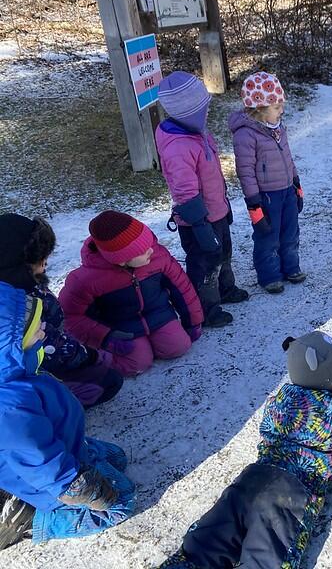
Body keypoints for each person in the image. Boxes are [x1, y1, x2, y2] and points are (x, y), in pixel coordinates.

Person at [160, 331, 332, 569]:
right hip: (290, 494)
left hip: (252, 478)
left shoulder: (279, 401)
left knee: (204, 544)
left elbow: (266, 429)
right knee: (267, 558)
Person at [0, 283, 135, 548]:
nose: (44, 329)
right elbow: (38, 459)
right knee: (122, 501)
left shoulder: (18, 367)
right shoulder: (8, 407)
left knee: (118, 457)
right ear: (8, 344)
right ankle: (36, 520)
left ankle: (83, 459)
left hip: (66, 445)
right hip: (50, 483)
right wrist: (76, 487)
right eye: (35, 326)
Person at [59, 211, 204, 377]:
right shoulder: (86, 279)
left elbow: (182, 287)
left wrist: (193, 321)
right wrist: (106, 338)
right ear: (122, 260)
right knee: (138, 363)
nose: (151, 249)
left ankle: (154, 344)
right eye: (142, 250)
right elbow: (71, 316)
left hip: (159, 316)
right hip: (122, 328)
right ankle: (95, 358)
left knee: (179, 347)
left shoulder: (158, 257)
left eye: (149, 242)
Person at [156, 71, 249, 328]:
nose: (207, 112)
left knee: (224, 254)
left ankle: (225, 289)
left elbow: (211, 175)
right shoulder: (177, 147)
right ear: (186, 113)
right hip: (199, 222)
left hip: (216, 212)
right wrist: (200, 226)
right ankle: (207, 309)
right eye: (202, 109)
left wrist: (224, 205)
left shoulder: (198, 132)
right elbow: (185, 192)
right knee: (205, 265)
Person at [0, 213, 122, 407]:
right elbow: (52, 347)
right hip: (39, 369)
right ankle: (58, 407)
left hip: (49, 356)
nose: (45, 264)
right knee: (109, 381)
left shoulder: (25, 284)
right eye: (40, 259)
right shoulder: (22, 307)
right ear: (18, 264)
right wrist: (88, 355)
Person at [229, 71, 306, 294]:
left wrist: (296, 184)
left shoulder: (279, 128)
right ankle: (270, 275)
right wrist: (254, 204)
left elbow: (288, 158)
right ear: (260, 109)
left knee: (290, 232)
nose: (281, 110)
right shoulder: (245, 136)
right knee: (268, 237)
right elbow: (245, 172)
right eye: (276, 106)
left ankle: (291, 267)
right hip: (266, 197)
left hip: (286, 191)